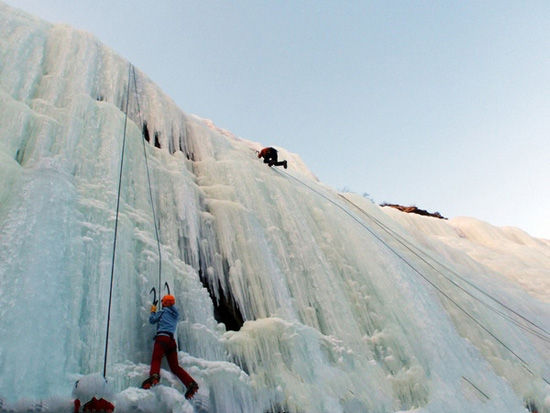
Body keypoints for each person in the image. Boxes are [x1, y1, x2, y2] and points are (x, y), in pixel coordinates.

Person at [141, 294, 199, 399]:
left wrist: (153, 310)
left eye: (163, 302)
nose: (162, 303)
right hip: (171, 342)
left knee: (156, 359)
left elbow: (152, 320)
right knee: (175, 367)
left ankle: (154, 376)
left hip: (162, 338)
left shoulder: (162, 312)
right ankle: (191, 383)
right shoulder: (175, 315)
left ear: (167, 303)